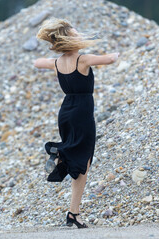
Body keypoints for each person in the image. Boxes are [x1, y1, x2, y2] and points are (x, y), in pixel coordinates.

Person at [33, 17, 119, 228]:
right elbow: (110, 60)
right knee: (83, 161)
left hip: (66, 112)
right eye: (75, 31)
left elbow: (36, 62)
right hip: (82, 113)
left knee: (82, 162)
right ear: (69, 37)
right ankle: (61, 155)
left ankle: (73, 212)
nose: (79, 33)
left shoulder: (56, 62)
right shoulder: (83, 60)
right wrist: (118, 53)